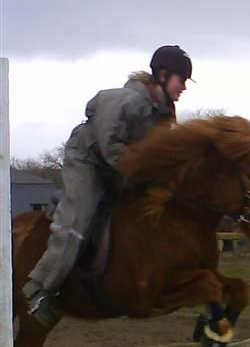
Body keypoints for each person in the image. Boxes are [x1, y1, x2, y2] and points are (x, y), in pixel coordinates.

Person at [23, 45, 193, 328]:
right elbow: (110, 149)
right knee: (78, 220)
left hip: (117, 166)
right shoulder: (123, 101)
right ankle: (38, 292)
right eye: (181, 79)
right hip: (88, 160)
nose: (184, 87)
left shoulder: (164, 114)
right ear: (162, 76)